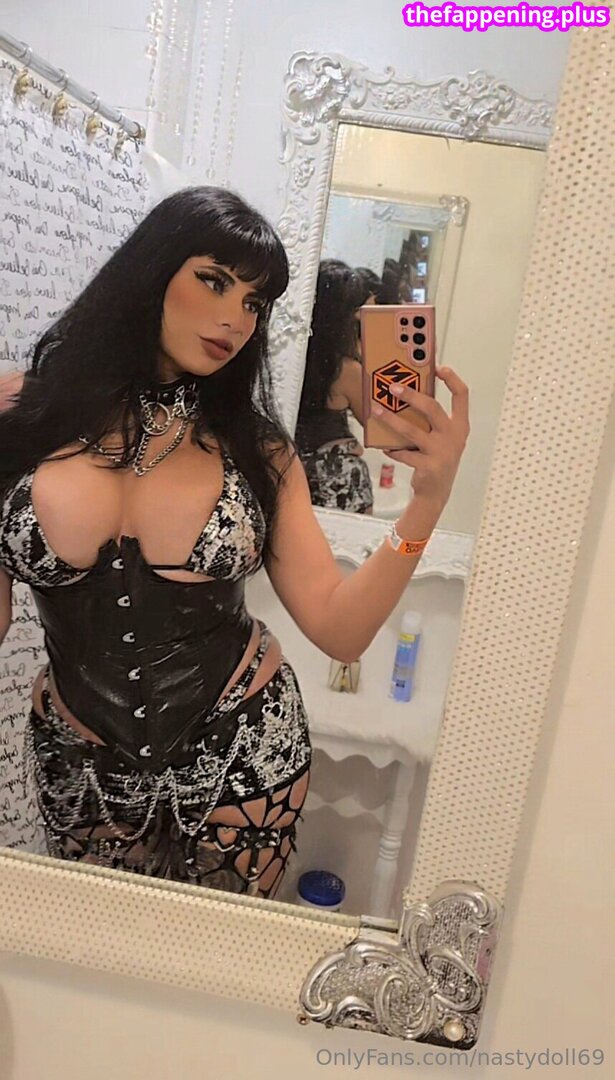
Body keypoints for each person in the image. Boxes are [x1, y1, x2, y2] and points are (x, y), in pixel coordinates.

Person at [0, 187, 469, 899]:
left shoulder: (257, 450)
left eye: (254, 302)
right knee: (97, 946)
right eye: (214, 281)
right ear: (151, 270)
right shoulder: (17, 415)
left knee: (216, 952)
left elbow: (340, 631)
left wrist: (425, 507)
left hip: (245, 747)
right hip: (79, 758)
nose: (235, 319)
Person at [295, 260, 376, 514]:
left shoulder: (291, 359)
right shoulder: (345, 370)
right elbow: (381, 428)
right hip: (340, 481)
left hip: (297, 480)